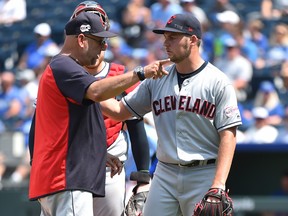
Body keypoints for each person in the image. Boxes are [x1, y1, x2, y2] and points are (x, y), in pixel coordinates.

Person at [28, 11, 169, 216]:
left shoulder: (68, 73)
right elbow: (96, 91)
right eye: (99, 41)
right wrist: (141, 73)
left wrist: (100, 154)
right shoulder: (64, 66)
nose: (104, 47)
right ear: (82, 39)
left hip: (62, 178)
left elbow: (118, 112)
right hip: (67, 179)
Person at [101, 13, 242, 216]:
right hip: (165, 173)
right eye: (165, 37)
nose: (166, 43)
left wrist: (218, 184)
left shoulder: (217, 82)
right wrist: (88, 92)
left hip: (203, 172)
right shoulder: (157, 78)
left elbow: (229, 135)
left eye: (173, 37)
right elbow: (120, 112)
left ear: (193, 40)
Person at [70, 2, 151, 215]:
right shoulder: (62, 72)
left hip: (110, 171)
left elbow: (135, 124)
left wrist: (143, 176)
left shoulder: (120, 76)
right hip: (69, 166)